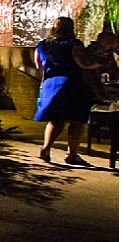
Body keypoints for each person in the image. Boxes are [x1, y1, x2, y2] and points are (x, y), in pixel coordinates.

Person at [34, 16, 101, 166]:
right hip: (71, 84)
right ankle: (72, 154)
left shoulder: (42, 45)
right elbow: (83, 63)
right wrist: (98, 63)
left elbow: (39, 65)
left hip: (50, 84)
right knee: (77, 120)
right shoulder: (73, 44)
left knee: (56, 120)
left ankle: (46, 148)